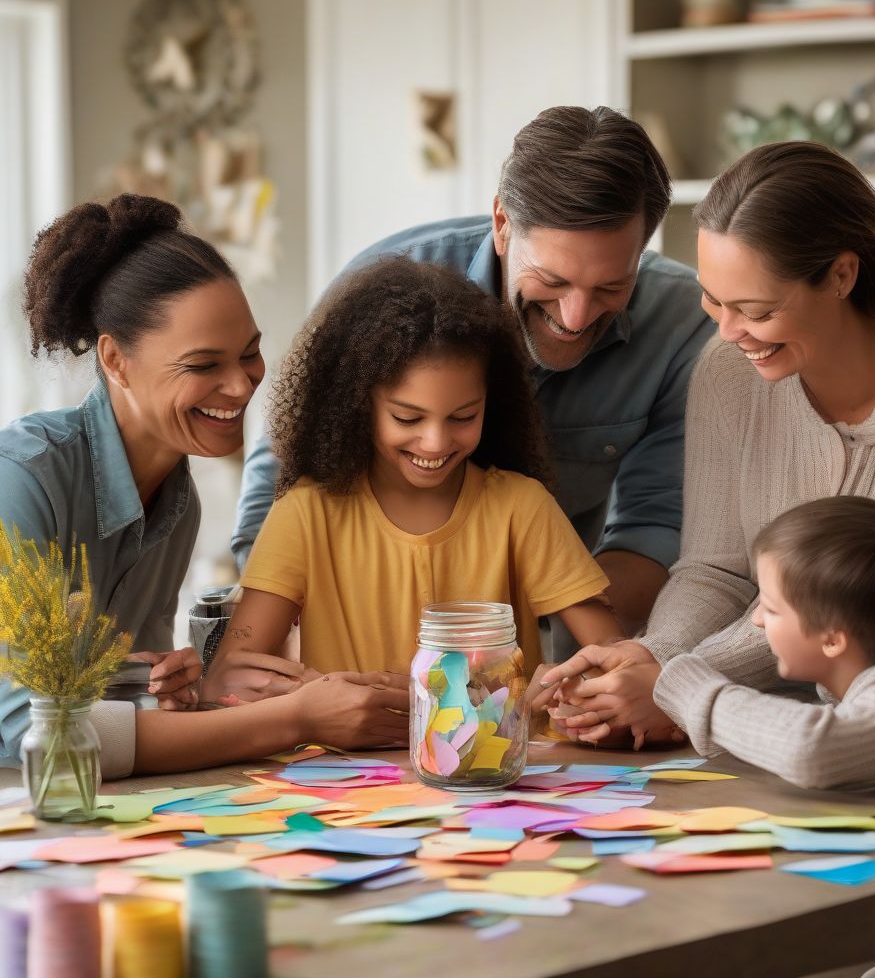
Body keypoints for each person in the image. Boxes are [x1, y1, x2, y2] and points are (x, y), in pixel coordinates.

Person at [541, 139, 875, 746]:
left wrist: (687, 680)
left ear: (842, 275)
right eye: (713, 301)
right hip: (764, 739)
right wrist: (650, 658)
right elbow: (716, 570)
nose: (729, 332)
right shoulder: (725, 372)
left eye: (757, 310)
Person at [232, 106, 715, 643]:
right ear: (503, 225)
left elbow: (656, 526)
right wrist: (277, 619)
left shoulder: (683, 324)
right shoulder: (383, 289)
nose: (576, 319)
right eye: (552, 279)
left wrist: (502, 637)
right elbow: (284, 463)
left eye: (610, 287)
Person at [0, 195, 408, 779]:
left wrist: (172, 694)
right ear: (115, 360)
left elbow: (115, 713)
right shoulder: (21, 481)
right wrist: (298, 719)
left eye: (249, 353)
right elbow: (41, 733)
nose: (242, 386)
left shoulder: (178, 499)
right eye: (202, 366)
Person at [201, 258, 623, 703]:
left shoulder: (522, 506)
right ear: (360, 404)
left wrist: (576, 684)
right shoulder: (306, 514)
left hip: (492, 768)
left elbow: (612, 655)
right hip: (342, 768)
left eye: (464, 416)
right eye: (407, 417)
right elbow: (230, 680)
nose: (436, 442)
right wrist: (298, 696)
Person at [553, 496, 875, 811]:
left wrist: (677, 681)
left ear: (834, 639)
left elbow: (810, 750)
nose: (757, 621)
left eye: (771, 609)